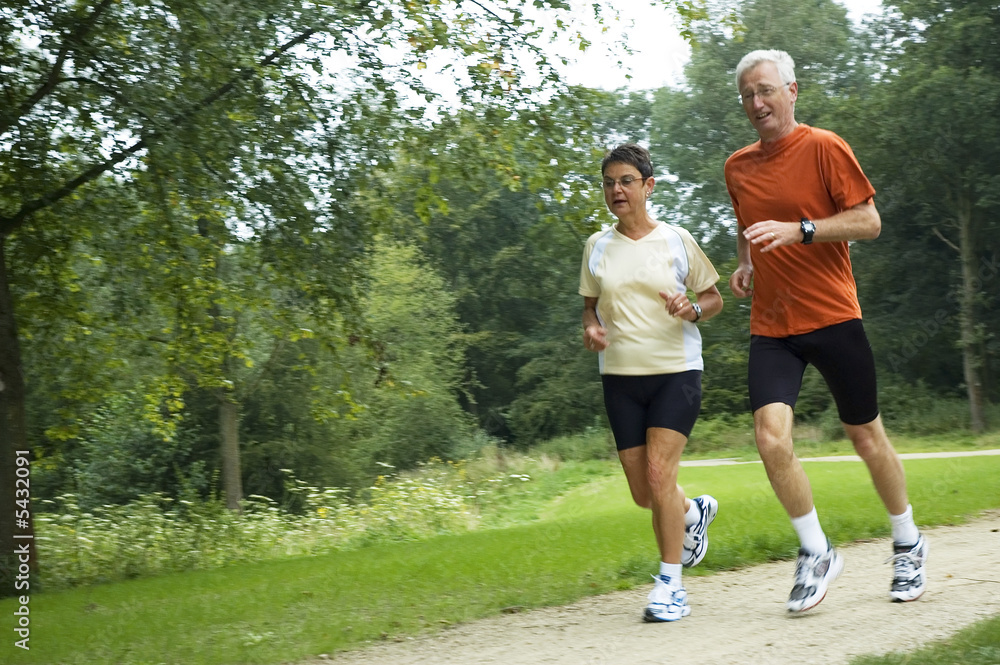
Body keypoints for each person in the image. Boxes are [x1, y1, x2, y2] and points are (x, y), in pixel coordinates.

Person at [724, 49, 928, 613]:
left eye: (765, 90)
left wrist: (802, 230)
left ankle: (908, 541)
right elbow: (745, 221)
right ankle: (816, 551)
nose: (757, 103)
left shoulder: (825, 146)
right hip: (773, 325)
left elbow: (869, 221)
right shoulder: (736, 165)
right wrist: (744, 262)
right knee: (770, 438)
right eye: (747, 95)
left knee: (864, 436)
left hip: (834, 315)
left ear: (792, 90)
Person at [579, 143, 724, 623]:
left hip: (676, 373)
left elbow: (713, 298)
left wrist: (693, 308)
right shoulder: (596, 247)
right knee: (646, 493)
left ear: (648, 186)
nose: (616, 190)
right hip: (620, 379)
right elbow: (590, 305)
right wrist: (591, 328)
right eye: (608, 182)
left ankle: (670, 586)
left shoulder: (677, 240)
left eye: (626, 181)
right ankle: (691, 513)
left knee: (661, 476)